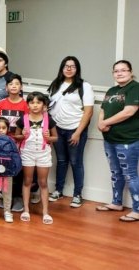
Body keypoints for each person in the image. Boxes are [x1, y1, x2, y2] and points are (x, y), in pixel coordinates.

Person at [47, 56, 94, 208]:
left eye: (72, 66)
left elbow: (88, 112)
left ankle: (77, 194)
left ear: (77, 69)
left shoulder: (84, 86)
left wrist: (78, 132)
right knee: (61, 161)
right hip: (57, 129)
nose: (69, 69)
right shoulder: (55, 84)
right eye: (66, 66)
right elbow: (48, 106)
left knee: (75, 162)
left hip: (75, 129)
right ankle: (58, 190)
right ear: (61, 68)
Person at [96, 60, 139, 222]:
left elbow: (129, 111)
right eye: (116, 71)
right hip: (110, 139)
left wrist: (106, 123)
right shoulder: (112, 90)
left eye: (123, 70)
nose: (119, 73)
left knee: (131, 175)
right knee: (116, 173)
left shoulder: (135, 88)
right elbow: (103, 109)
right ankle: (116, 203)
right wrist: (101, 123)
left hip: (128, 140)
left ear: (130, 72)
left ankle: (137, 210)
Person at [14, 92, 58, 224]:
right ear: (28, 105)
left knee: (43, 182)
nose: (35, 105)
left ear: (44, 105)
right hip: (27, 152)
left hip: (43, 153)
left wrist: (48, 137)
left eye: (38, 102)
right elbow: (17, 137)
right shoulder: (23, 119)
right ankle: (26, 210)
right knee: (27, 181)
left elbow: (55, 138)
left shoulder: (48, 119)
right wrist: (22, 134)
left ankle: (45, 212)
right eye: (32, 102)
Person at [0, 74, 29, 211]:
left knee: (18, 170)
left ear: (21, 87)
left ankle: (17, 197)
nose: (14, 86)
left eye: (17, 83)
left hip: (19, 144)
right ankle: (4, 196)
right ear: (6, 87)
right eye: (11, 84)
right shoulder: (1, 104)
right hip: (3, 145)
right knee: (4, 170)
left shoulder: (25, 105)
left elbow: (27, 126)